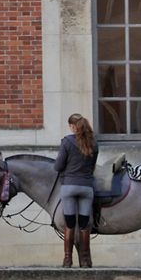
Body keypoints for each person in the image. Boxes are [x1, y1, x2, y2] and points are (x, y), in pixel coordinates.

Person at [53, 113, 98, 268]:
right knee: (85, 225)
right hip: (86, 187)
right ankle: (85, 260)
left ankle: (67, 260)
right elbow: (92, 167)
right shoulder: (93, 143)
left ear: (73, 126)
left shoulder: (66, 142)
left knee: (70, 224)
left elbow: (58, 166)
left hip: (69, 187)